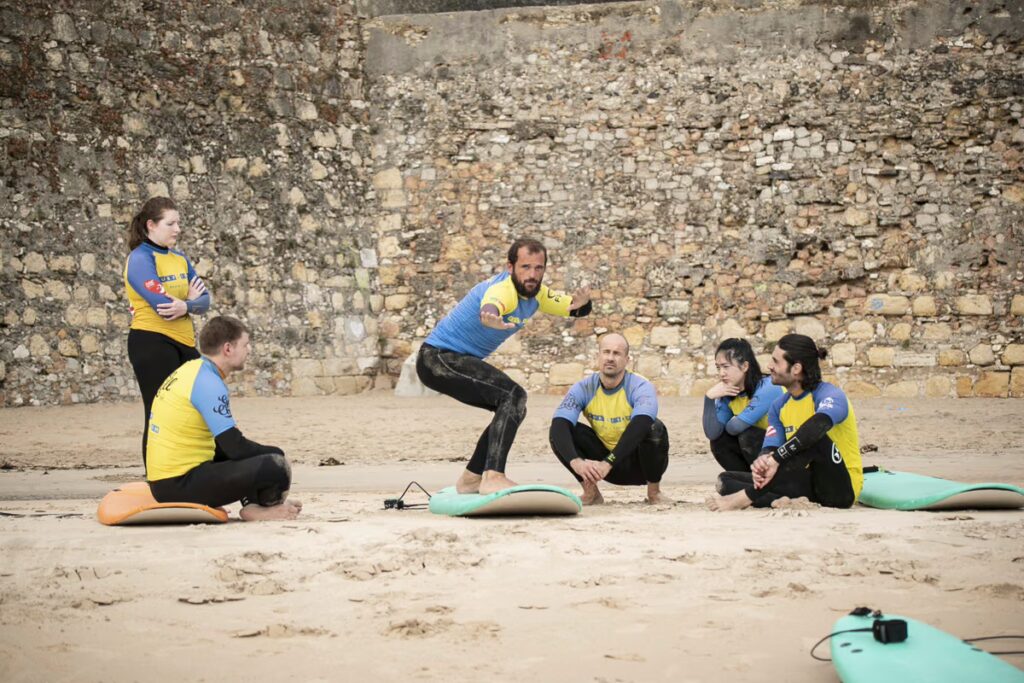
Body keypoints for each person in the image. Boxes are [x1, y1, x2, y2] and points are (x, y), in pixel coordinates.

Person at [416, 237, 592, 495]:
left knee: (512, 408)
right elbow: (491, 305)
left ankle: (471, 479)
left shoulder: (537, 294)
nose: (532, 275)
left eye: (538, 268)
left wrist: (583, 305)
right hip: (438, 358)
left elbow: (572, 308)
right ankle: (493, 476)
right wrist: (491, 318)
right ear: (510, 267)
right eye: (525, 267)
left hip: (453, 360)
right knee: (514, 395)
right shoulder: (503, 290)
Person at [146, 316, 300, 521]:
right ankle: (262, 508)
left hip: (164, 482)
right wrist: (274, 453)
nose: (249, 350)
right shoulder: (208, 382)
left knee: (254, 457)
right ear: (228, 349)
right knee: (275, 465)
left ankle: (253, 505)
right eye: (245, 344)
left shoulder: (190, 371)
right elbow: (235, 447)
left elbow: (224, 446)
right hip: (179, 484)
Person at [706, 334, 863, 511]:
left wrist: (778, 457)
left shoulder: (830, 395)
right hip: (806, 482)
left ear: (796, 368)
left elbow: (817, 426)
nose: (769, 366)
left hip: (840, 488)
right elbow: (770, 448)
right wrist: (763, 461)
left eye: (775, 361)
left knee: (815, 438)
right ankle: (778, 500)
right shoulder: (778, 406)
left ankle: (747, 497)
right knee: (726, 481)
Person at [124, 197, 211, 470]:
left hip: (184, 343)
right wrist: (188, 302)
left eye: (179, 223)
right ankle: (157, 476)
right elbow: (161, 305)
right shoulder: (139, 258)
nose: (177, 229)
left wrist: (185, 304)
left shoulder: (179, 259)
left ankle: (190, 467)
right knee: (158, 411)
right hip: (151, 342)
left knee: (197, 406)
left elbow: (205, 301)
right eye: (170, 223)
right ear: (151, 225)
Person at [550, 333, 671, 505]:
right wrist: (575, 461)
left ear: (627, 359)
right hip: (608, 468)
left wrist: (608, 463)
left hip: (643, 466)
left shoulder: (640, 386)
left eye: (617, 353)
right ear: (598, 356)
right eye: (606, 352)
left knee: (654, 427)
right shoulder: (584, 387)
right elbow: (559, 425)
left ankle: (654, 493)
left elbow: (642, 423)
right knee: (561, 432)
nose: (610, 358)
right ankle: (591, 493)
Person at [702, 338, 783, 472]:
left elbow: (735, 427)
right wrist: (709, 399)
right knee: (719, 441)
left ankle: (769, 480)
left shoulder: (768, 386)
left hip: (784, 449)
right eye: (718, 367)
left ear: (745, 366)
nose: (721, 373)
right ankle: (748, 480)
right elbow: (713, 433)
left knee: (746, 435)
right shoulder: (729, 392)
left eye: (726, 366)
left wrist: (729, 425)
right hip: (761, 451)